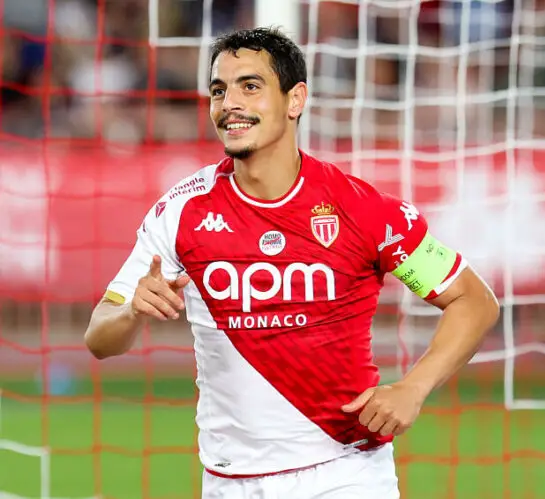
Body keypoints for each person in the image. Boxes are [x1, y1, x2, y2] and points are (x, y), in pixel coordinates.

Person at [83, 26, 499, 499]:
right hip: (228, 481)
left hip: (346, 471)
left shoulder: (361, 209)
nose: (229, 103)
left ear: (295, 99)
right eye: (219, 90)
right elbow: (100, 338)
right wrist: (132, 310)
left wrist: (414, 388)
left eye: (250, 86)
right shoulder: (180, 211)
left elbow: (473, 300)